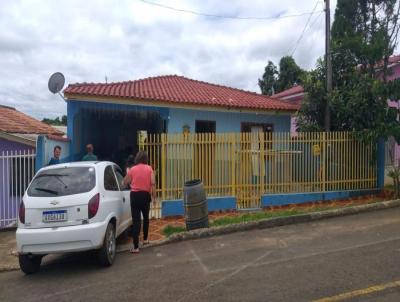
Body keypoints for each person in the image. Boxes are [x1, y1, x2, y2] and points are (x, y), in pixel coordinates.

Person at [123, 151, 156, 254]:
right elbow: (153, 184)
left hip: (135, 196)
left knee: (136, 220)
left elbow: (125, 182)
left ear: (137, 158)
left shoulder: (132, 169)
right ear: (146, 158)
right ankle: (145, 240)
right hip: (145, 196)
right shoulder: (149, 168)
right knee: (146, 218)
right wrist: (154, 198)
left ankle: (136, 247)